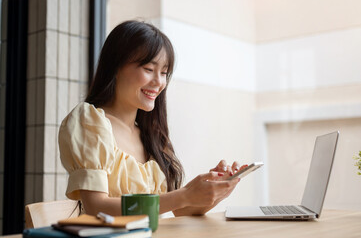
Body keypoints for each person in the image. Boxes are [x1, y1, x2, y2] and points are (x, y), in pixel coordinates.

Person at [58, 20, 246, 216]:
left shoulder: (150, 135)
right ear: (115, 66)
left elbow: (180, 212)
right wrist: (184, 195)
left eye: (164, 73)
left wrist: (214, 190)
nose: (159, 82)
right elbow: (97, 207)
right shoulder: (90, 122)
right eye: (149, 69)